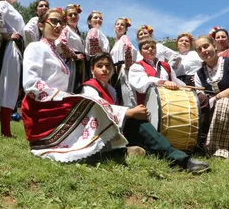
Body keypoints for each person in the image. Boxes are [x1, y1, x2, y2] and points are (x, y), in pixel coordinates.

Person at [21, 8, 128, 162]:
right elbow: (31, 84)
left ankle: (112, 148)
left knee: (96, 104)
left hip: (56, 106)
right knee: (94, 104)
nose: (58, 26)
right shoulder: (35, 47)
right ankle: (109, 149)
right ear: (41, 25)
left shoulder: (56, 55)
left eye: (61, 22)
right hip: (40, 108)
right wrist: (65, 97)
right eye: (54, 21)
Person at [82, 52, 210, 173]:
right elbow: (97, 110)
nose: (104, 69)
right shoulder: (89, 87)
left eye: (108, 66)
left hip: (109, 130)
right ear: (92, 70)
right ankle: (181, 160)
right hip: (97, 135)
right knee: (134, 120)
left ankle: (161, 156)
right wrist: (129, 112)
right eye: (100, 66)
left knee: (138, 124)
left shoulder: (110, 90)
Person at [0, 0, 25, 138]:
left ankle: (7, 128)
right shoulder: (3, 5)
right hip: (11, 46)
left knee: (12, 85)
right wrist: (6, 34)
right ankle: (5, 129)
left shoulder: (12, 8)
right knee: (8, 84)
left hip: (17, 47)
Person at [128, 37, 185, 107]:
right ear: (140, 52)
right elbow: (141, 83)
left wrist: (185, 88)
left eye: (153, 47)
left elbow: (175, 80)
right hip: (148, 108)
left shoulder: (166, 65)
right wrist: (163, 82)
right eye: (146, 48)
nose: (150, 49)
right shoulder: (136, 66)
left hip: (169, 104)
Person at [56, 4, 87, 92]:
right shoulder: (66, 29)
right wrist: (74, 56)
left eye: (75, 14)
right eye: (70, 15)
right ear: (65, 17)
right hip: (71, 63)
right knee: (70, 87)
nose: (73, 16)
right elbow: (61, 43)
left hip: (80, 65)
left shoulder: (77, 32)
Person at [109, 18, 137, 107]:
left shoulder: (124, 38)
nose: (119, 26)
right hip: (115, 71)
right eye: (117, 24)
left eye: (122, 25)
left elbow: (128, 48)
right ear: (114, 27)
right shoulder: (116, 42)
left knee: (125, 93)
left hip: (122, 69)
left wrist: (128, 66)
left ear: (125, 29)